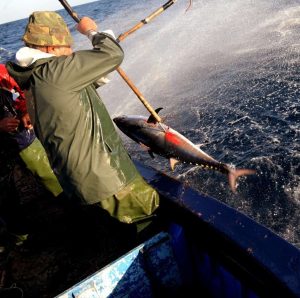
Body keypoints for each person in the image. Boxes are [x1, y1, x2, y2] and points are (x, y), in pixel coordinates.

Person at [6, 11, 159, 230]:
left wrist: (97, 74)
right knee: (147, 221)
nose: (70, 51)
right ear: (49, 47)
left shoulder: (34, 78)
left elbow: (68, 95)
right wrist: (90, 30)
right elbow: (112, 53)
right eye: (66, 46)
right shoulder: (56, 71)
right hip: (108, 180)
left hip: (79, 182)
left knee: (114, 228)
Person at [0, 64, 63, 197]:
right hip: (7, 152)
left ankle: (67, 198)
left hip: (25, 138)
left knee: (50, 172)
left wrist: (26, 111)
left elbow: (24, 90)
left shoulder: (3, 72)